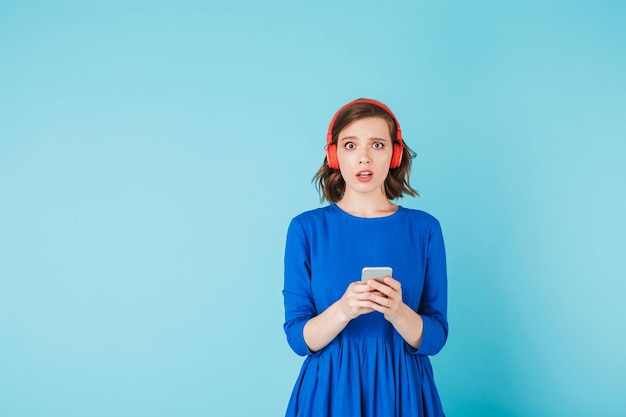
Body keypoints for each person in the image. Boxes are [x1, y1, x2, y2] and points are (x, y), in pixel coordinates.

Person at [282, 98, 448, 417]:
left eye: (377, 144)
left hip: (404, 389)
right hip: (329, 391)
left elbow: (436, 336)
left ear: (394, 154)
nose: (364, 157)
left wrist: (398, 311)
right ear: (334, 155)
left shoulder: (425, 229)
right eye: (350, 144)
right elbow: (299, 340)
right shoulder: (305, 229)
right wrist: (344, 309)